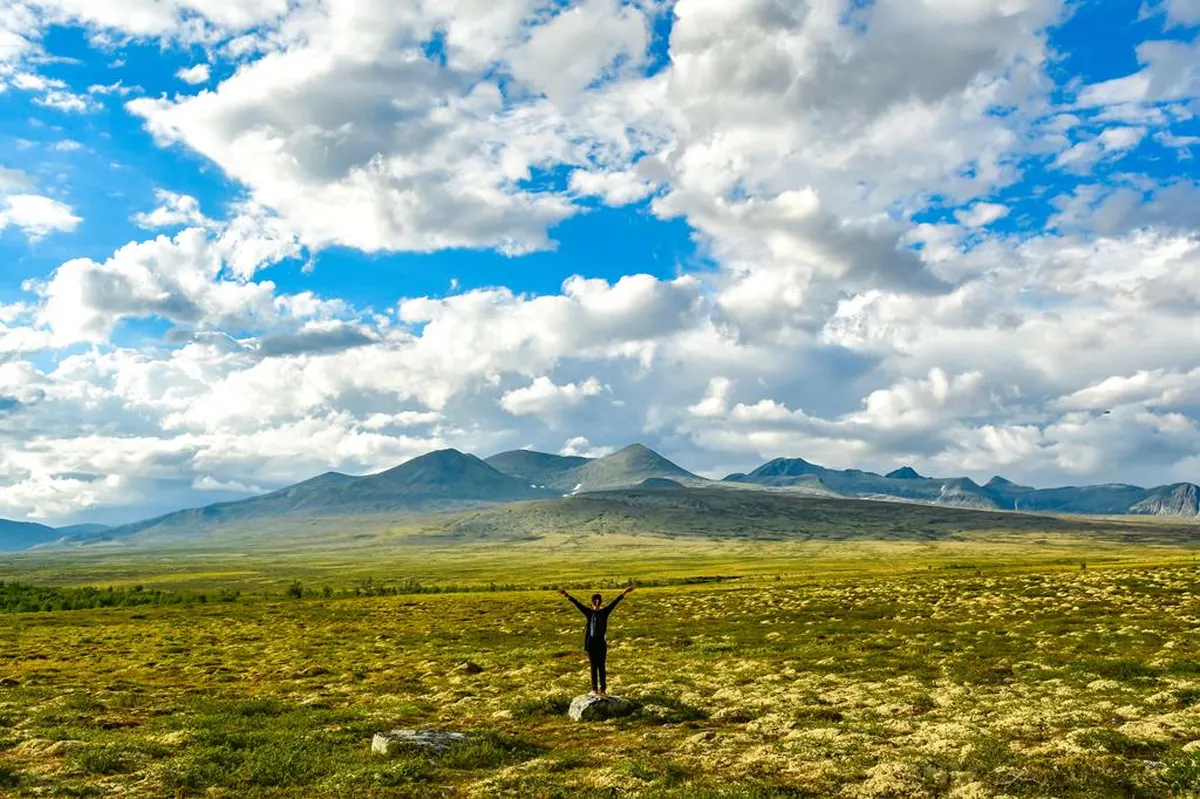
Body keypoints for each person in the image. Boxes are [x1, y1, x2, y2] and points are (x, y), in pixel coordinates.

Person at [557, 585, 634, 695]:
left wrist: (624, 592)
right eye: (595, 600)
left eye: (598, 600)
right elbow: (577, 604)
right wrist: (567, 595)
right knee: (594, 667)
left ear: (600, 602)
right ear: (593, 602)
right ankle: (595, 689)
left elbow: (615, 602)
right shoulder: (590, 612)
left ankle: (603, 690)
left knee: (601, 666)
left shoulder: (604, 612)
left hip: (601, 642)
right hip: (591, 643)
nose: (597, 602)